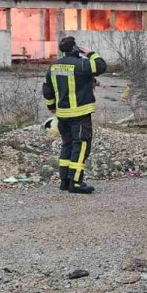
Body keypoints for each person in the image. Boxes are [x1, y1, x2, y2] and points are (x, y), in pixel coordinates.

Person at [42, 36, 107, 194]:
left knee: (67, 145)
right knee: (81, 146)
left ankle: (64, 181)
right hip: (80, 114)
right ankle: (76, 182)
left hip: (62, 115)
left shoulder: (54, 67)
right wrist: (91, 53)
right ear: (74, 48)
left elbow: (47, 90)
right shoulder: (81, 64)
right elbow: (101, 66)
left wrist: (51, 106)